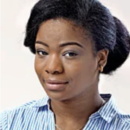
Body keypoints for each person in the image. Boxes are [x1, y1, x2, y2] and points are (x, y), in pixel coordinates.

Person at [1, 0, 130, 129]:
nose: (52, 68)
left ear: (101, 59)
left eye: (70, 54)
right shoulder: (10, 123)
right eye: (42, 52)